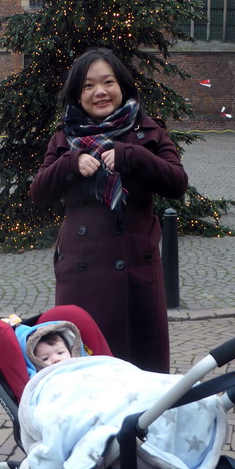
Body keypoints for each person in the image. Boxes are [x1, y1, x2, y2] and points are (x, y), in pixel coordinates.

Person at [30, 47, 188, 373]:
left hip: (134, 274)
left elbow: (177, 183)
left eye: (107, 82)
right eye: (88, 85)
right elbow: (39, 193)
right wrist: (70, 163)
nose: (99, 92)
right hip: (80, 275)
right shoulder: (65, 137)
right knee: (85, 373)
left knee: (140, 374)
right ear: (78, 93)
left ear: (123, 86)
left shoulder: (148, 131)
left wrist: (132, 156)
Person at [15, 319, 85, 376]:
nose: (56, 359)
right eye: (45, 358)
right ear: (35, 363)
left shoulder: (84, 365)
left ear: (70, 350)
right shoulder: (42, 381)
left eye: (60, 353)